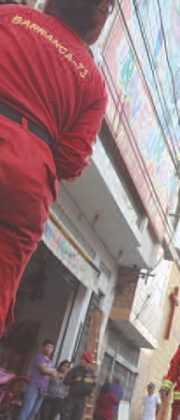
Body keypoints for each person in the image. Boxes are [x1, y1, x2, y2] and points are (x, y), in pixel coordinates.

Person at [0, 0, 112, 336]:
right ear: (100, 16)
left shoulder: (8, 16)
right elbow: (71, 160)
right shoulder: (92, 81)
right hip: (26, 181)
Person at [18, 339, 59, 420]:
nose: (49, 349)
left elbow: (54, 374)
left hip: (43, 389)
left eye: (51, 347)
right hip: (34, 386)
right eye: (47, 346)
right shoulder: (39, 357)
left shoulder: (50, 361)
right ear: (43, 347)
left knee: (34, 411)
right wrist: (52, 371)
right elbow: (44, 370)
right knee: (27, 409)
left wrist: (50, 371)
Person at [62, 351, 97, 420]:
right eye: (82, 359)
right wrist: (74, 380)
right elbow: (65, 381)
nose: (82, 361)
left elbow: (92, 385)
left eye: (85, 360)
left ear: (88, 363)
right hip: (72, 397)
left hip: (82, 400)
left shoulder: (91, 373)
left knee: (77, 418)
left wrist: (90, 393)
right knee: (65, 417)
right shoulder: (75, 370)